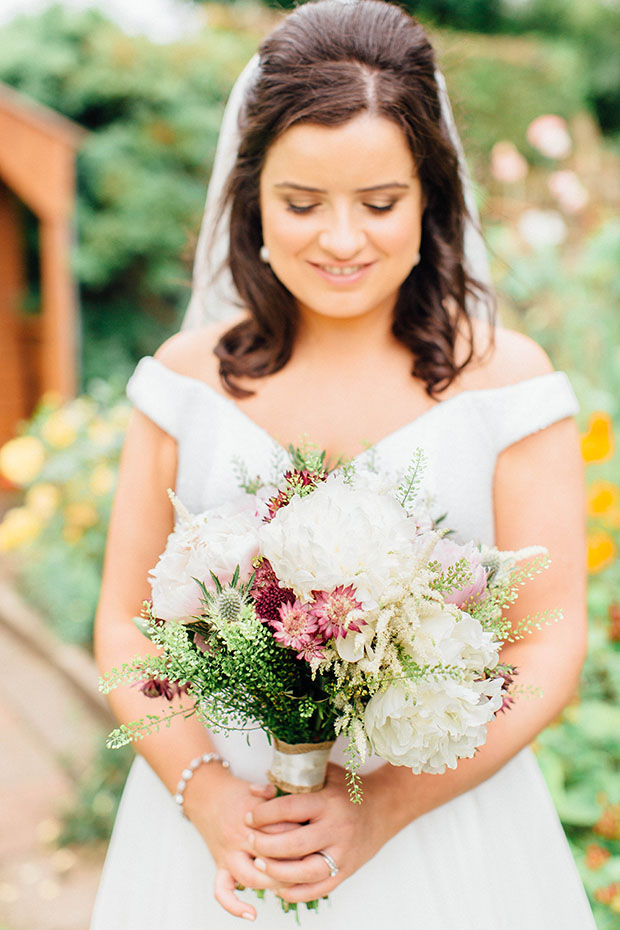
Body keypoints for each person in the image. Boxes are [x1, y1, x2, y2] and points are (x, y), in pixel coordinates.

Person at [91, 1, 595, 926]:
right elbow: (125, 630)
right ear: (250, 199)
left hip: (444, 835)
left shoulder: (507, 385)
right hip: (218, 835)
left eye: (380, 203)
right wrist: (208, 799)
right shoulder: (182, 382)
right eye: (301, 203)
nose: (341, 241)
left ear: (431, 195)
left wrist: (379, 809)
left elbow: (546, 644)